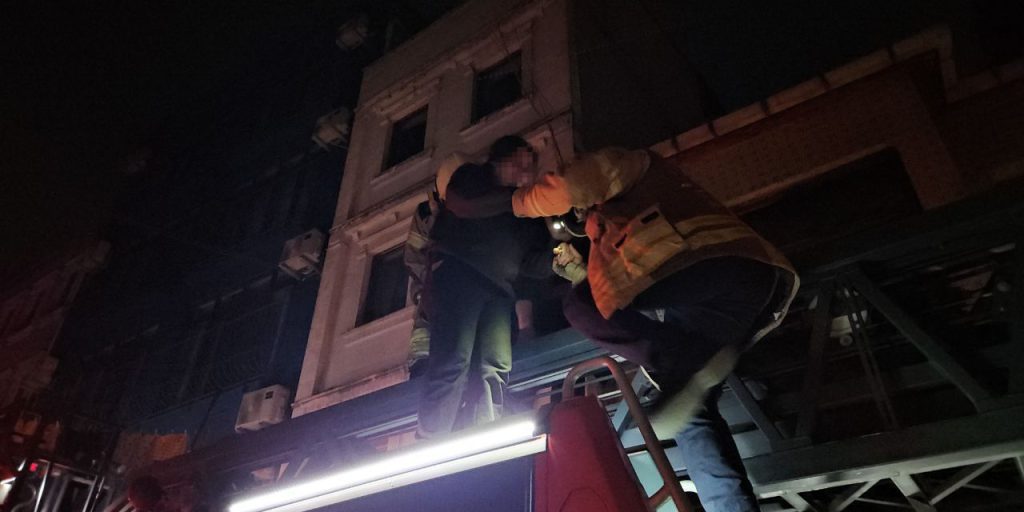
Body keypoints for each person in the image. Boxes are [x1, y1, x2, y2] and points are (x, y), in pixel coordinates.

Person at [512, 147, 799, 512]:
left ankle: (677, 360)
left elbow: (573, 186)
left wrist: (517, 200)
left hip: (712, 265)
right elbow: (617, 292)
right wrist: (582, 274)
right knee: (691, 412)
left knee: (578, 306)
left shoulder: (628, 166)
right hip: (722, 299)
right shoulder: (605, 234)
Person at [417, 136, 553, 438]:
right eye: (519, 162)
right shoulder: (473, 177)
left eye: (530, 168)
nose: (525, 173)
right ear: (499, 159)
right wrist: (517, 201)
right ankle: (430, 440)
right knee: (454, 358)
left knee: (496, 365)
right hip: (459, 271)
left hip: (500, 291)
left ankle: (484, 438)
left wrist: (559, 244)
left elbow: (533, 265)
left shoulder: (525, 211)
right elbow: (461, 204)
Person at [403, 153, 468, 376]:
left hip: (463, 305)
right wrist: (430, 286)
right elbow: (413, 259)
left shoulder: (477, 211)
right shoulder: (425, 214)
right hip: (429, 313)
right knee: (424, 378)